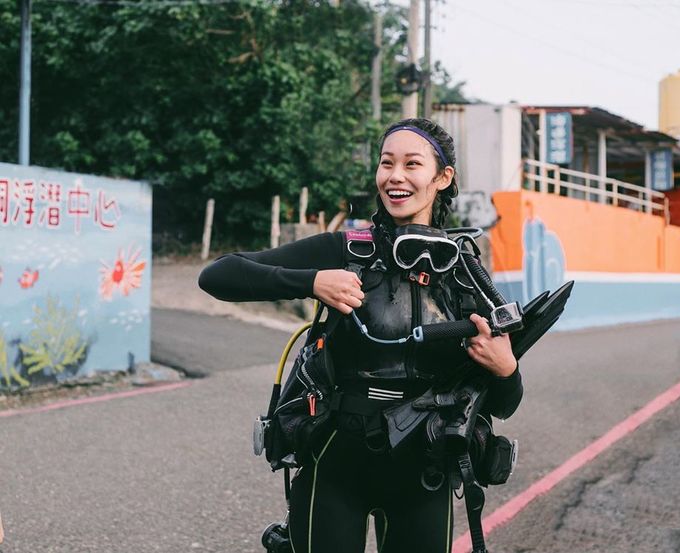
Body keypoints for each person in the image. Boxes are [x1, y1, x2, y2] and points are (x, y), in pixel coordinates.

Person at [198, 118, 523, 553]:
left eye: (412, 164)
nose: (395, 176)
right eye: (387, 163)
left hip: (423, 472)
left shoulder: (463, 272)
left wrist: (507, 369)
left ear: (442, 178)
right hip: (335, 463)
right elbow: (219, 276)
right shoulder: (345, 250)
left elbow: (505, 402)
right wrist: (313, 281)